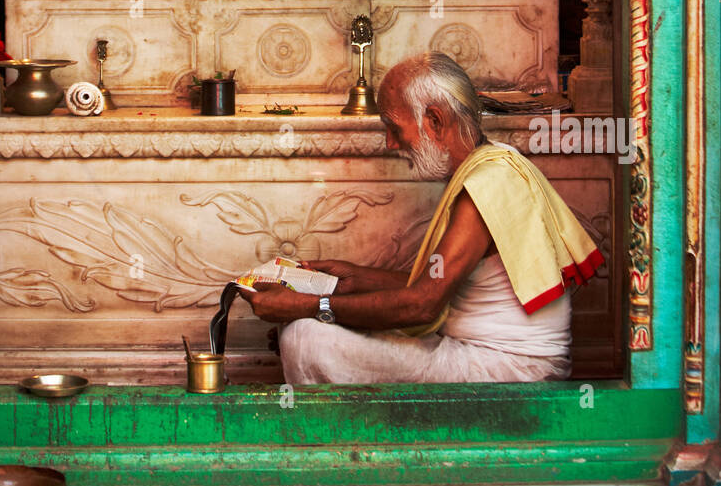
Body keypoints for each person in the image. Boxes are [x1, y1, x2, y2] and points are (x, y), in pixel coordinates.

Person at [238, 53, 602, 383]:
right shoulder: (492, 165)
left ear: (435, 120)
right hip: (485, 353)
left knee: (304, 337)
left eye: (394, 128)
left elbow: (422, 304)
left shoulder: (487, 184)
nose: (391, 144)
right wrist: (355, 278)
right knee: (328, 326)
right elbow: (442, 282)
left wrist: (308, 305)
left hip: (510, 368)